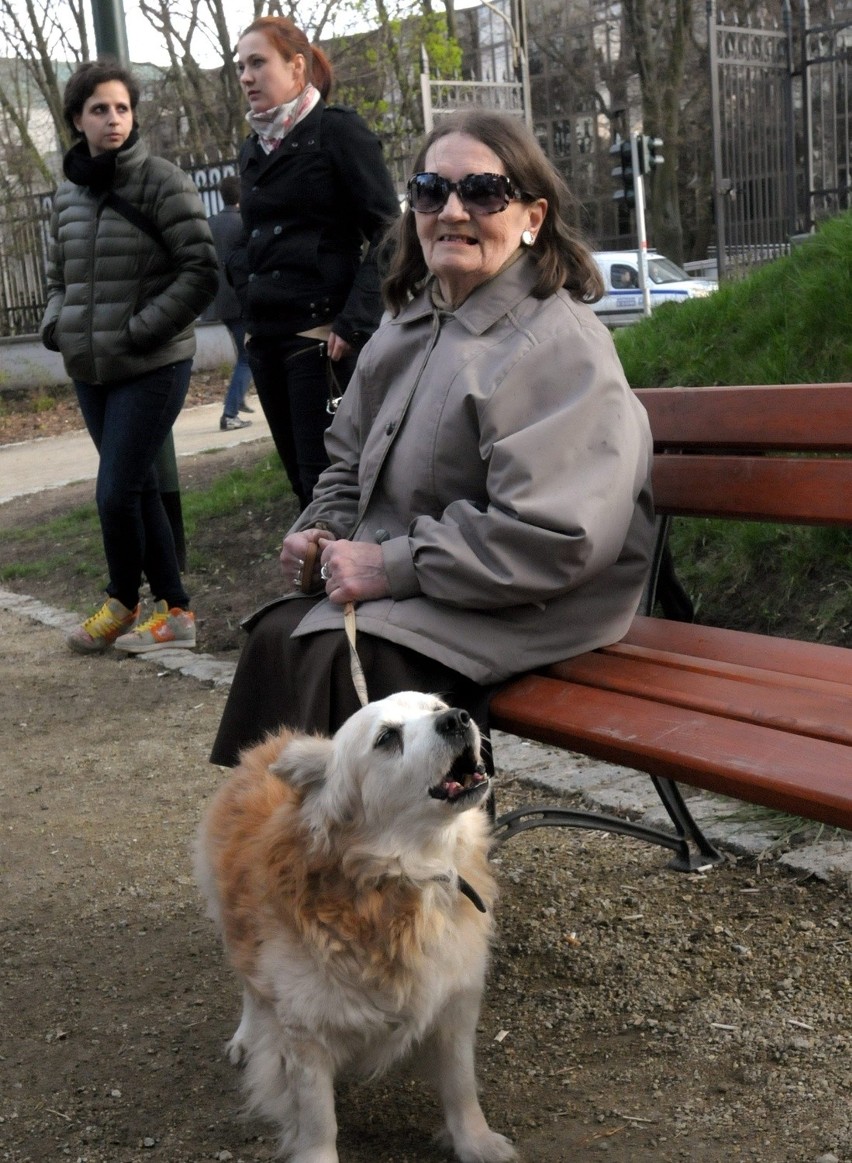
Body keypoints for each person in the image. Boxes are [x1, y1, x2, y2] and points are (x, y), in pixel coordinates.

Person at [210, 109, 656, 773]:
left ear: (532, 216)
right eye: (430, 190)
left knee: (344, 652)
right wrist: (324, 530)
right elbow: (346, 464)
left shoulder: (558, 346)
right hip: (436, 580)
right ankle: (304, 861)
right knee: (279, 635)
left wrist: (388, 566)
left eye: (481, 192)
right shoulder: (406, 324)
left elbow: (554, 536)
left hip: (537, 596)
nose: (451, 211)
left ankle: (416, 866)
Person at [40, 59, 218, 656]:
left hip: (154, 362)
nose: (113, 119)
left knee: (114, 492)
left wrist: (142, 329)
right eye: (99, 109)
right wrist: (55, 323)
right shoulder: (66, 195)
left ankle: (121, 599)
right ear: (76, 119)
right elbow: (56, 278)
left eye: (121, 108)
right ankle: (178, 611)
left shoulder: (163, 181)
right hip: (91, 369)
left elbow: (201, 270)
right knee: (137, 487)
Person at [227, 16, 400, 510]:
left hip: (320, 338)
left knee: (326, 484)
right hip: (263, 336)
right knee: (300, 489)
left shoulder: (337, 131)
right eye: (241, 66)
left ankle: (344, 583)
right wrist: (241, 283)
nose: (246, 76)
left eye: (258, 62)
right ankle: (323, 584)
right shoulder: (252, 147)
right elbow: (249, 234)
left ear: (296, 67)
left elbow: (391, 232)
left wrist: (353, 322)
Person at [203, 174, 255, 432]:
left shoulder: (210, 224)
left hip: (220, 302)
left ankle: (239, 399)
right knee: (248, 356)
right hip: (242, 299)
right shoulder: (244, 223)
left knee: (243, 352)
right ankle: (230, 413)